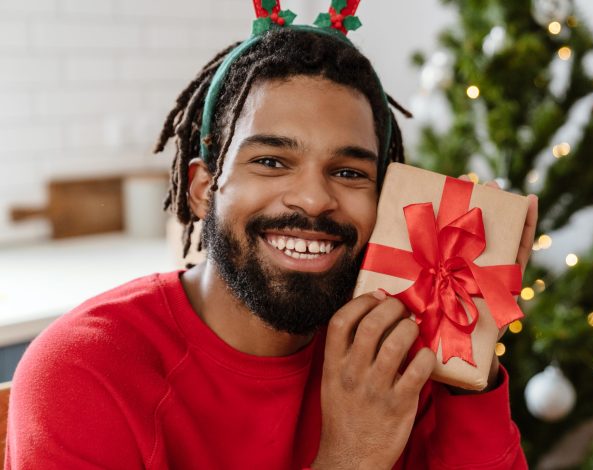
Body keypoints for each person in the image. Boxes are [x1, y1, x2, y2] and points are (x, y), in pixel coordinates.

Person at [6, 23, 537, 469]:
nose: (313, 198)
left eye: (350, 171)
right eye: (271, 161)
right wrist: (350, 456)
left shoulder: (391, 350)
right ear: (202, 189)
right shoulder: (84, 372)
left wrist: (470, 367)